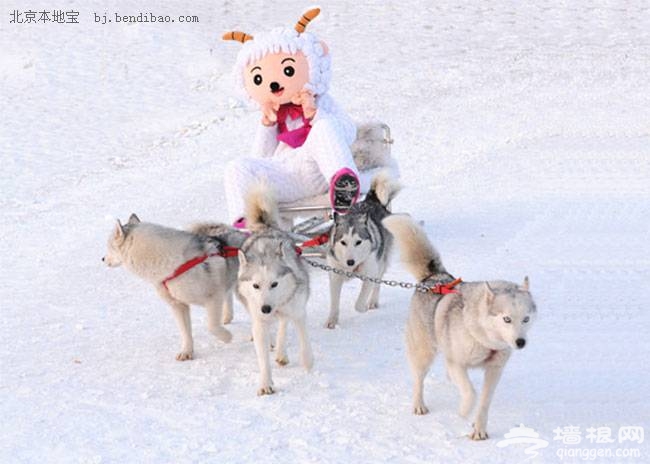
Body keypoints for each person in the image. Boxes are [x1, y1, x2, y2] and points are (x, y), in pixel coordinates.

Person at [222, 8, 364, 227]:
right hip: (285, 177)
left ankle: (344, 184)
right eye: (259, 78)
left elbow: (347, 132)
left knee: (324, 127)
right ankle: (247, 221)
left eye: (288, 71)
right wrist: (267, 125)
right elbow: (262, 158)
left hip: (317, 169)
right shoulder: (273, 113)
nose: (273, 84)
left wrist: (315, 113)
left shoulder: (320, 101)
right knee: (236, 166)